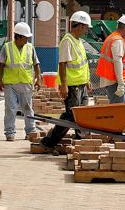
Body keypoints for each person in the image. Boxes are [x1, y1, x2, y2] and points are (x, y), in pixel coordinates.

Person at [41, 11, 91, 152]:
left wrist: (87, 80)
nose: (86, 30)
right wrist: (63, 85)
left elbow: (83, 63)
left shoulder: (79, 41)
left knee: (82, 115)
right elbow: (62, 64)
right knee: (70, 117)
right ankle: (49, 142)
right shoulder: (67, 41)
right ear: (79, 26)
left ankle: (80, 141)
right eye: (86, 27)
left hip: (81, 85)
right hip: (72, 86)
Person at [0, 22, 41, 142]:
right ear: (18, 36)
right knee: (10, 109)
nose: (27, 40)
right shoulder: (7, 47)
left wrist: (38, 79)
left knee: (28, 108)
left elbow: (36, 64)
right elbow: (0, 64)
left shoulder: (30, 48)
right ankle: (10, 132)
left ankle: (30, 131)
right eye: (25, 37)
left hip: (26, 84)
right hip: (10, 84)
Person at [96, 14, 125, 103]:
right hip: (116, 82)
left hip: (119, 81)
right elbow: (118, 62)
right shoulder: (117, 40)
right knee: (119, 111)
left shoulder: (113, 38)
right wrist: (120, 83)